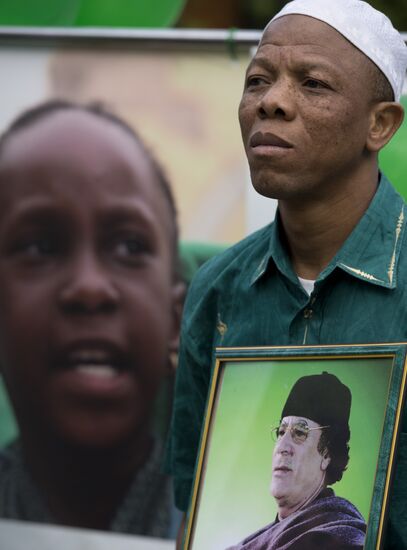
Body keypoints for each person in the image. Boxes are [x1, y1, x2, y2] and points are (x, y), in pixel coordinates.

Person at [164, 1, 407, 548]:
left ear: (380, 124)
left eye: (314, 83)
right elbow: (195, 506)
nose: (271, 102)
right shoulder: (219, 291)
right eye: (257, 80)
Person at [0, 100, 185, 537]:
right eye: (40, 248)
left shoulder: (254, 528)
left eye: (129, 247)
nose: (89, 288)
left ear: (176, 320)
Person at [227, 372, 366, 550]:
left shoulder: (340, 539)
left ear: (327, 455)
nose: (282, 446)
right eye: (280, 432)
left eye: (300, 433)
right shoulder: (254, 541)